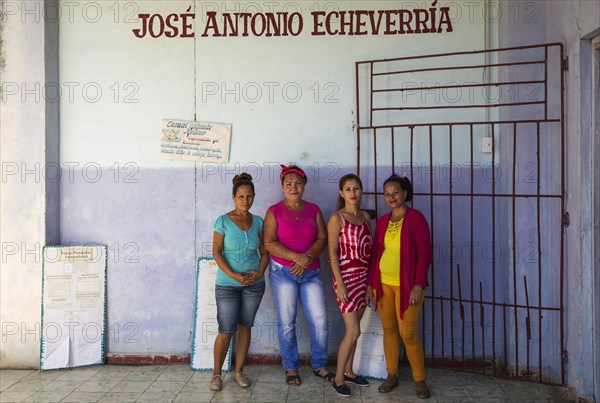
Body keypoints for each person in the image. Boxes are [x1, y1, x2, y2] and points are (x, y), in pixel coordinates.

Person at [263, 164, 334, 386]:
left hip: (311, 272)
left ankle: (320, 365)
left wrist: (308, 257)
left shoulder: (314, 210)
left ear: (304, 186)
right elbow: (268, 243)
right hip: (283, 272)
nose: (293, 187)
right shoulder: (274, 211)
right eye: (288, 184)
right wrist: (297, 257)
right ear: (282, 187)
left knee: (320, 320)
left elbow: (323, 238)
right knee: (286, 322)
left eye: (298, 183)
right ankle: (291, 367)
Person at [365, 174, 433, 399]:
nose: (391, 197)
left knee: (409, 333)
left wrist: (418, 284)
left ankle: (420, 380)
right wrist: (371, 285)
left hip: (408, 286)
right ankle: (391, 374)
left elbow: (425, 253)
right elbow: (376, 254)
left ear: (405, 194)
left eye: (395, 192)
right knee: (390, 330)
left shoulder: (416, 218)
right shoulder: (383, 221)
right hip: (384, 284)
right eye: (387, 194)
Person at [209, 173, 269, 392]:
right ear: (233, 197)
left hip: (254, 285)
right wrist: (234, 275)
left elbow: (264, 252)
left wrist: (259, 272)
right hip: (227, 285)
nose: (246, 200)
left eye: (249, 196)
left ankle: (239, 371)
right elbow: (216, 252)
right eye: (241, 196)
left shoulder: (259, 222)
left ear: (254, 198)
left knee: (245, 327)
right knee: (226, 330)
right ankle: (216, 375)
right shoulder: (222, 221)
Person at [327, 174, 372, 398]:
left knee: (357, 330)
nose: (352, 193)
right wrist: (340, 284)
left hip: (363, 280)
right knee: (352, 331)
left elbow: (369, 252)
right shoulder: (337, 218)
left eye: (356, 188)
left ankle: (350, 371)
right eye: (347, 189)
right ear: (341, 193)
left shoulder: (366, 217)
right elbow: (332, 253)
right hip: (345, 280)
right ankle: (338, 379)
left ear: (361, 191)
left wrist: (369, 285)